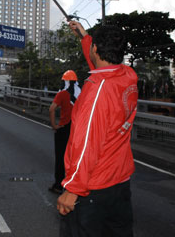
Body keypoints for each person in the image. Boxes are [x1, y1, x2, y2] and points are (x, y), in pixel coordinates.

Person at [57, 21, 138, 236]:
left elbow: (86, 146)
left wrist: (73, 190)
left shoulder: (96, 92)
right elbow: (101, 66)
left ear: (96, 49)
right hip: (120, 184)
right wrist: (84, 36)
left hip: (93, 189)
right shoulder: (127, 76)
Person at [48, 70, 81, 194]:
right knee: (75, 158)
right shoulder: (81, 93)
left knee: (61, 158)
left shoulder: (62, 94)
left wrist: (54, 125)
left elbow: (51, 109)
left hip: (64, 128)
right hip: (77, 129)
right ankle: (74, 185)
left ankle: (58, 185)